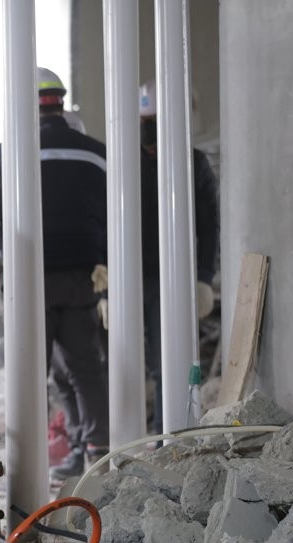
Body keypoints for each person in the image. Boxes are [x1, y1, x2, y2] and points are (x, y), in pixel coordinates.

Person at [0, 67, 109, 480]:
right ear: (61, 101)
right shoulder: (97, 153)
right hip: (82, 277)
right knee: (80, 365)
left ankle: (28, 468)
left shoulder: (12, 152)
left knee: (30, 370)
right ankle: (95, 449)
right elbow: (119, 216)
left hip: (29, 281)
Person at [138, 79, 220, 435]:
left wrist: (203, 276)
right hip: (131, 278)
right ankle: (116, 445)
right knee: (120, 369)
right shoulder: (124, 164)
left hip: (172, 278)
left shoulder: (193, 163)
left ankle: (167, 441)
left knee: (167, 364)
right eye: (145, 123)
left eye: (156, 122)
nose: (150, 134)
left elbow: (209, 223)